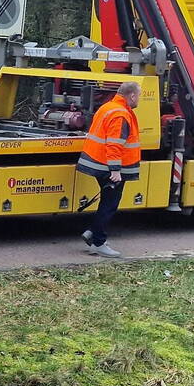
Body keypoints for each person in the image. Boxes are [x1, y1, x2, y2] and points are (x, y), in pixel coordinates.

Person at [75, 81, 142, 258]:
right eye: (139, 96)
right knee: (109, 205)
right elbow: (114, 144)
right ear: (132, 95)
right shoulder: (120, 114)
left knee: (106, 202)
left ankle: (92, 233)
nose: (139, 100)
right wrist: (115, 170)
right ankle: (98, 242)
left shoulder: (108, 107)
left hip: (98, 162)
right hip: (108, 167)